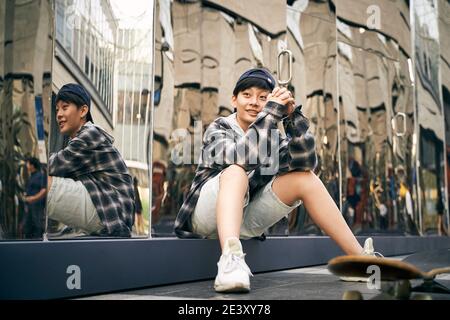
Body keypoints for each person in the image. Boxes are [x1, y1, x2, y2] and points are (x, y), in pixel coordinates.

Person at [174, 68, 379, 293]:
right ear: (234, 100)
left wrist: (292, 119)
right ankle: (230, 262)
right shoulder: (219, 127)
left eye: (263, 98)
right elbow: (243, 157)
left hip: (244, 217)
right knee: (235, 171)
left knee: (305, 179)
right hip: (205, 218)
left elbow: (306, 162)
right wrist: (270, 113)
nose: (254, 102)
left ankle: (358, 260)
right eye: (247, 95)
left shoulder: (272, 134)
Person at [47, 83, 135, 237]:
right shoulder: (80, 138)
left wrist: (32, 161)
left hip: (112, 211)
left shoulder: (90, 134)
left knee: (41, 181)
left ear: (83, 110)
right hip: (106, 206)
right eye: (57, 110)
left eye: (65, 107)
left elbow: (55, 165)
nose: (59, 114)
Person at [23, 157, 47, 238]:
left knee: (37, 226)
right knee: (28, 226)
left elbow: (44, 190)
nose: (26, 165)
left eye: (28, 163)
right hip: (30, 206)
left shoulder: (40, 176)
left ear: (32, 165)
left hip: (37, 205)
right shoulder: (31, 176)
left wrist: (33, 198)